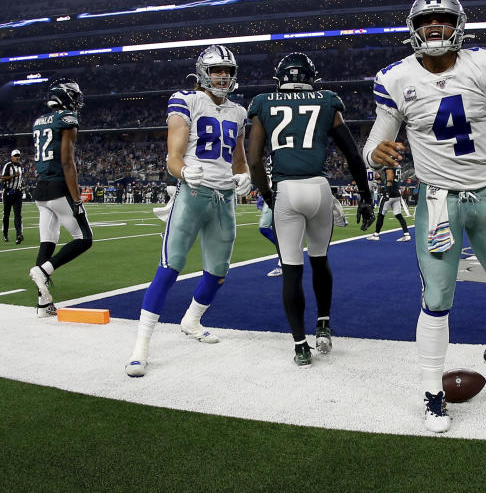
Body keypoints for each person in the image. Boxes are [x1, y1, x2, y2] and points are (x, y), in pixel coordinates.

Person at [363, 0, 486, 433]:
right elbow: (372, 144)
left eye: (441, 18)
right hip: (438, 201)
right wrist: (374, 154)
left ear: (458, 24)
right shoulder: (396, 78)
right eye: (425, 20)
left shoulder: (484, 65)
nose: (433, 27)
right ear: (413, 29)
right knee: (437, 300)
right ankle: (431, 394)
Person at [126, 45, 251, 377]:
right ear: (203, 71)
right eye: (216, 70)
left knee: (218, 272)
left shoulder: (238, 112)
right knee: (170, 268)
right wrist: (183, 171)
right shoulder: (186, 100)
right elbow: (173, 157)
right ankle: (141, 346)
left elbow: (238, 159)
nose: (223, 75)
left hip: (224, 199)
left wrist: (245, 175)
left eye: (228, 70)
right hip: (192, 193)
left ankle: (192, 320)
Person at [246, 52, 375, 366]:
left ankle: (300, 346)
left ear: (280, 79)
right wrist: (365, 196)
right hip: (318, 188)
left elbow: (253, 161)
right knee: (320, 260)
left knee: (291, 269)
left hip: (286, 189)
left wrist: (268, 194)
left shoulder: (264, 102)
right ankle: (323, 324)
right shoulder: (327, 101)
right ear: (311, 77)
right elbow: (353, 155)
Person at [25, 80, 95, 317]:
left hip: (41, 189)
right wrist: (76, 198)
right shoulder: (66, 120)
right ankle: (44, 270)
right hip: (58, 187)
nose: (77, 102)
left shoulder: (39, 121)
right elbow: (67, 161)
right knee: (84, 238)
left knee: (48, 241)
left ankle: (43, 304)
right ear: (66, 98)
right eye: (74, 97)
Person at [369, 165, 411, 241]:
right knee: (398, 215)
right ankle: (406, 234)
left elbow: (390, 176)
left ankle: (376, 234)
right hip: (397, 193)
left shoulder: (389, 166)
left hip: (389, 194)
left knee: (380, 214)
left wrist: (387, 191)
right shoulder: (397, 166)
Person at [2, 148, 26, 244]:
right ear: (11, 157)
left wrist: (22, 183)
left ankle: (19, 235)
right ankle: (5, 233)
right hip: (8, 192)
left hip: (17, 193)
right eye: (15, 156)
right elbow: (2, 179)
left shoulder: (20, 166)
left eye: (18, 156)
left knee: (18, 215)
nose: (17, 157)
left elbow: (20, 178)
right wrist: (13, 176)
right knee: (6, 215)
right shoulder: (8, 166)